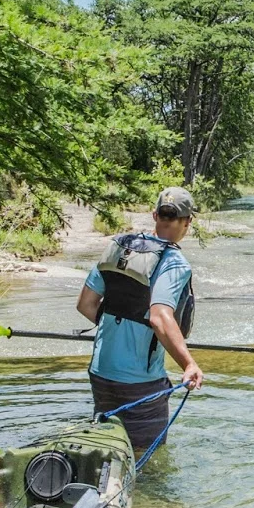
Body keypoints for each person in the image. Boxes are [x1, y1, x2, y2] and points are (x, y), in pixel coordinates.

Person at [76, 187, 205, 454]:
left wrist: (120, 329)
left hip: (101, 372)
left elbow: (86, 305)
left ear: (155, 215)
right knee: (147, 461)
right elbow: (160, 318)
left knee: (107, 452)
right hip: (140, 382)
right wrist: (189, 363)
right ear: (188, 222)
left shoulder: (119, 248)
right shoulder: (173, 262)